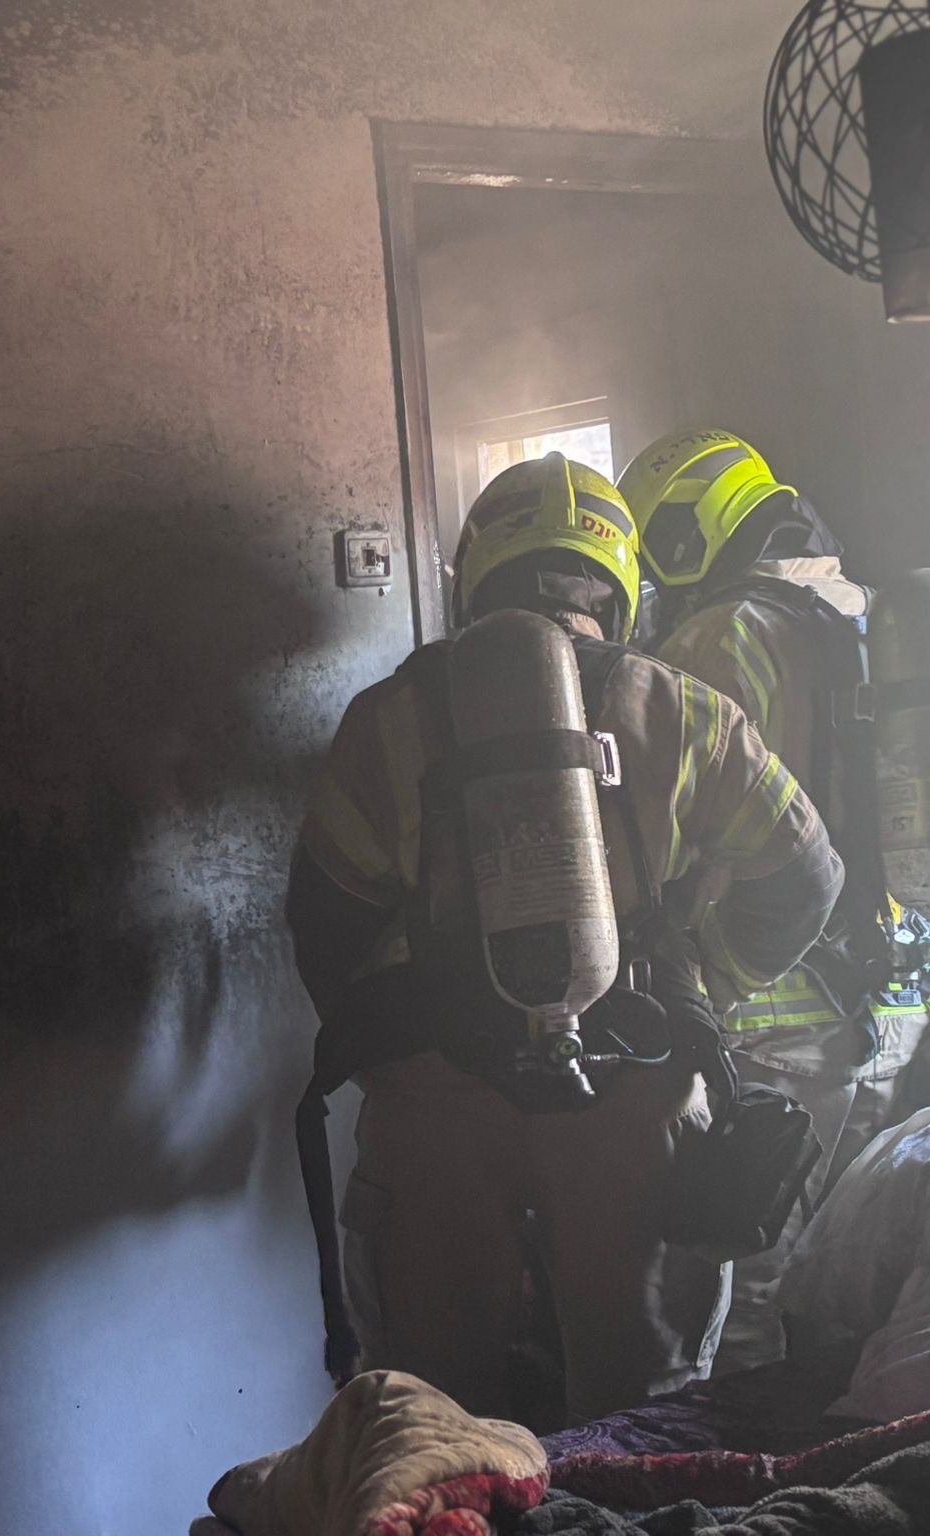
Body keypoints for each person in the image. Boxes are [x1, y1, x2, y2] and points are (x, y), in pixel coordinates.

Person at [287, 453, 843, 1423]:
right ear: (618, 583)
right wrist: (703, 983)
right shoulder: (685, 711)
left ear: (475, 576)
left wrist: (414, 1054)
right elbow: (805, 878)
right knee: (646, 1413)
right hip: (637, 1102)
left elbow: (325, 921)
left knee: (434, 1417)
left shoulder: (387, 720)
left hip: (436, 1114)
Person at [619, 427, 930, 1373]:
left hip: (765, 1017)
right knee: (858, 1280)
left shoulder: (719, 637)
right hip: (899, 1007)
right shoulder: (896, 622)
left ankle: (749, 1458)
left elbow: (660, 829)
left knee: (741, 1294)